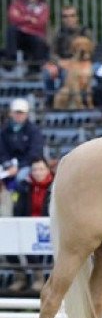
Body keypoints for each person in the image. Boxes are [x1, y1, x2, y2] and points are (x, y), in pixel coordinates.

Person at [10, 157, 53, 292]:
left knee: (34, 246)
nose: (38, 172)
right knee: (10, 246)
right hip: (27, 225)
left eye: (41, 169)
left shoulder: (56, 187)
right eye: (35, 169)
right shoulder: (23, 186)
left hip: (48, 227)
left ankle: (39, 279)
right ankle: (19, 278)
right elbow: (17, 209)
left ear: (47, 170)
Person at [43, 5, 93, 105]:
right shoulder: (58, 32)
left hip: (81, 63)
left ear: (77, 17)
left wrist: (74, 62)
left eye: (72, 15)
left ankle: (75, 102)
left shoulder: (84, 32)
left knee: (67, 74)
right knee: (47, 72)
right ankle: (50, 100)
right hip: (62, 62)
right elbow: (51, 52)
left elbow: (91, 50)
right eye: (65, 16)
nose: (69, 19)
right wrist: (59, 61)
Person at [5, 0, 50, 68]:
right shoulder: (17, 3)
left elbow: (41, 23)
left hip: (35, 35)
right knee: (11, 30)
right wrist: (29, 19)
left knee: (39, 41)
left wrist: (22, 20)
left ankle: (35, 70)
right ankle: (10, 62)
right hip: (20, 34)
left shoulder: (44, 7)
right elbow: (12, 17)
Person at [0, 99, 44, 186]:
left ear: (26, 114)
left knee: (21, 177)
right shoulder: (4, 131)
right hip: (8, 165)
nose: (19, 115)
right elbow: (2, 151)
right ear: (11, 113)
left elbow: (34, 153)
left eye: (21, 113)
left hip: (28, 165)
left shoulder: (33, 131)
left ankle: (22, 199)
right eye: (16, 112)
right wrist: (8, 165)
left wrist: (19, 166)